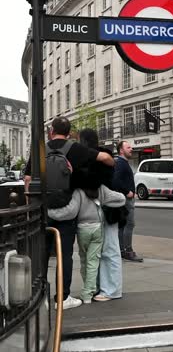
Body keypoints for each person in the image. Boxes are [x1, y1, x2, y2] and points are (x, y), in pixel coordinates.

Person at [24, 116, 114, 310]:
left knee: (42, 254)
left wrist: (30, 205)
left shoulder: (40, 149)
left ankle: (40, 296)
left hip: (43, 211)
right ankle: (63, 298)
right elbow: (106, 159)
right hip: (67, 211)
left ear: (51, 131)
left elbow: (28, 178)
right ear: (69, 132)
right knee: (64, 255)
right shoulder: (75, 149)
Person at [48, 184, 125, 304]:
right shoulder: (101, 189)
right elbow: (121, 199)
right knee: (93, 261)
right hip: (98, 228)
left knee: (84, 260)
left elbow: (71, 212)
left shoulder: (78, 191)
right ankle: (88, 293)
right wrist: (104, 203)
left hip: (82, 229)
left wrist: (49, 212)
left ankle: (89, 288)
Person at [78, 128, 126, 302]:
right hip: (103, 208)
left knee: (109, 249)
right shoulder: (103, 154)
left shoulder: (98, 155)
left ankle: (111, 289)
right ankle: (103, 287)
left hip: (106, 208)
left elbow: (94, 180)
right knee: (103, 250)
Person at [112, 140, 143, 262]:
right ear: (121, 150)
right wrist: (127, 191)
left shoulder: (122, 163)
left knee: (122, 225)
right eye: (128, 147)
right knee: (129, 224)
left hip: (125, 199)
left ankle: (121, 250)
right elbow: (116, 180)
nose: (131, 149)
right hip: (126, 199)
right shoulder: (121, 163)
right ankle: (128, 250)